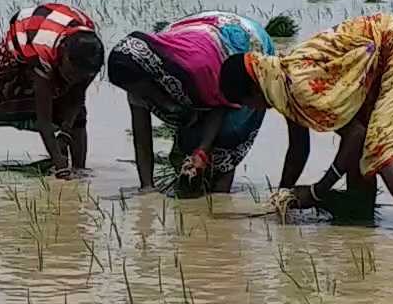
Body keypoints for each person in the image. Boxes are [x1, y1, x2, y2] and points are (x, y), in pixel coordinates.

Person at [219, 13, 393, 240]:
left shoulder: (298, 86)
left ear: (254, 89)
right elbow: (298, 151)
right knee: (363, 156)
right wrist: (282, 197)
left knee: (381, 150)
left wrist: (318, 190)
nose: (254, 108)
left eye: (247, 103)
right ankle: (361, 217)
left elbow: (356, 134)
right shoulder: (281, 83)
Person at [108, 11, 276, 193]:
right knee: (187, 145)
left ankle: (220, 197)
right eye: (131, 90)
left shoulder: (191, 69)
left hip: (242, 44)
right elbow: (142, 138)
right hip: (200, 38)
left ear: (149, 75)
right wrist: (147, 187)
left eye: (140, 88)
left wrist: (202, 150)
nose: (137, 93)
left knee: (228, 135)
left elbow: (219, 106)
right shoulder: (135, 77)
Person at [0, 4, 104, 178]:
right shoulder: (42, 50)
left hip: (53, 31)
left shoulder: (91, 57)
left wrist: (65, 133)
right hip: (23, 39)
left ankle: (80, 169)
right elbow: (44, 120)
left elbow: (78, 97)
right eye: (71, 73)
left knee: (78, 116)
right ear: (62, 54)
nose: (74, 79)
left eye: (80, 76)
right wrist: (58, 162)